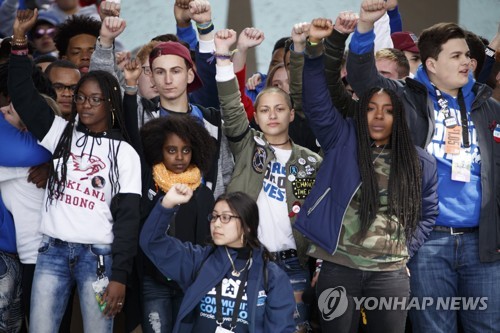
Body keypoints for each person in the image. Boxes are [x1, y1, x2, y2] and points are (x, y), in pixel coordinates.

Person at [346, 1, 500, 332]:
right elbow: (362, 80)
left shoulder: (490, 108)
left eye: (468, 56)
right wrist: (363, 28)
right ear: (431, 63)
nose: (467, 62)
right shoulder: (407, 100)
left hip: (484, 245)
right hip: (427, 241)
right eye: (456, 56)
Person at [294, 18, 438, 333]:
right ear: (360, 107)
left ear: (399, 113)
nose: (378, 115)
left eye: (387, 109)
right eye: (371, 107)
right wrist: (315, 49)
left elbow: (428, 213)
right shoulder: (342, 137)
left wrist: (404, 251)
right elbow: (316, 99)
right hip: (339, 269)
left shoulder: (420, 161)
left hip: (390, 275)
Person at [9, 9, 141, 332]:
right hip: (51, 251)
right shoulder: (61, 134)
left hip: (97, 259)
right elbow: (23, 96)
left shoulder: (124, 153)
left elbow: (128, 220)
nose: (84, 104)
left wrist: (119, 276)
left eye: (95, 99)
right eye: (81, 98)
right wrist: (18, 41)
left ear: (111, 104)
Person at [214, 28, 322, 332]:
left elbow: (327, 218)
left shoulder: (312, 161)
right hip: (245, 260)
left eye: (279, 109)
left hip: (293, 266)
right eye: (264, 110)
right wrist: (225, 56)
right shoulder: (249, 146)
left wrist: (322, 264)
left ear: (291, 114)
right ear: (256, 117)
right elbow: (230, 106)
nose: (272, 115)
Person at [140, 188, 296, 332]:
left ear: (247, 225)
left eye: (225, 218)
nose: (216, 224)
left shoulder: (272, 275)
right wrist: (167, 204)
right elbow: (151, 242)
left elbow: (281, 328)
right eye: (214, 217)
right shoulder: (199, 260)